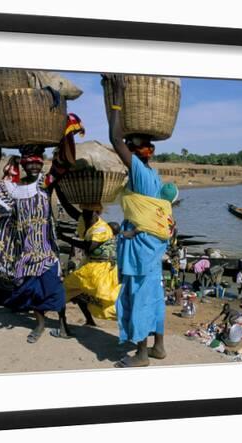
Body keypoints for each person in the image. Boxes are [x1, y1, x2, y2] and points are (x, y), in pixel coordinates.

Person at [106, 74, 172, 368]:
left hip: (141, 248)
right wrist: (125, 228)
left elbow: (113, 137)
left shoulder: (140, 173)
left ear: (135, 150)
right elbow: (152, 212)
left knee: (139, 295)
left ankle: (142, 355)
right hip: (152, 244)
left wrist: (117, 96)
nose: (126, 149)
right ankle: (158, 347)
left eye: (130, 146)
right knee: (154, 294)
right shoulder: (153, 175)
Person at [0, 144, 66, 344]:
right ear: (23, 165)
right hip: (26, 252)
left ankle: (62, 324)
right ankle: (40, 325)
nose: (33, 167)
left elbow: (61, 167)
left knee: (55, 289)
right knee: (32, 292)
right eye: (29, 164)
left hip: (47, 249)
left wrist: (65, 140)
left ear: (41, 164)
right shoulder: (15, 190)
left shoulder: (44, 183)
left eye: (37, 163)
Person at [54, 191, 121, 333]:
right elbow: (69, 208)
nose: (85, 214)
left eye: (88, 212)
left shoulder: (101, 229)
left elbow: (88, 246)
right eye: (84, 211)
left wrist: (64, 238)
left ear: (97, 212)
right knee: (77, 293)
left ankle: (63, 328)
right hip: (92, 268)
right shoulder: (87, 221)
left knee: (63, 291)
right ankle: (89, 321)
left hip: (97, 270)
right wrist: (59, 190)